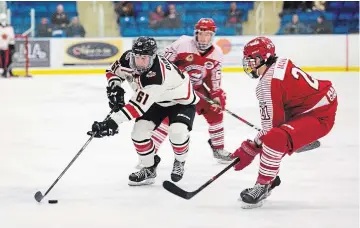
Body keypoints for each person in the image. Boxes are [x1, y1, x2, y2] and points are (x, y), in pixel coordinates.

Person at [230, 37, 338, 209]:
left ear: (264, 58)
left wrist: (249, 149)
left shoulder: (267, 84)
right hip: (315, 105)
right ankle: (299, 139)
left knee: (275, 138)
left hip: (319, 115)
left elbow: (270, 131)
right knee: (279, 133)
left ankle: (264, 185)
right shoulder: (280, 62)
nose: (249, 64)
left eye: (253, 59)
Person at [88, 37, 199, 186]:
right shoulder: (128, 58)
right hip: (155, 101)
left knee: (177, 132)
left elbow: (136, 107)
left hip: (180, 102)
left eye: (144, 58)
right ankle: (149, 168)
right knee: (138, 133)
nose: (140, 62)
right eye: (138, 57)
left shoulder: (157, 77)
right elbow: (113, 71)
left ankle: (180, 161)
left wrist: (112, 122)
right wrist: (115, 87)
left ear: (153, 57)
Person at [136, 18, 232, 167]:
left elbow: (214, 77)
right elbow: (162, 65)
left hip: (198, 89)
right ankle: (149, 155)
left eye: (207, 35)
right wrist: (175, 81)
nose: (204, 38)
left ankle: (218, 148)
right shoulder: (182, 44)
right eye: (201, 34)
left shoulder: (217, 53)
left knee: (216, 109)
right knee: (167, 119)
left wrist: (216, 95)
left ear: (212, 36)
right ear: (195, 33)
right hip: (176, 89)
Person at [0, 13, 15, 77]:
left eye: (4, 19)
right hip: (1, 47)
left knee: (9, 59)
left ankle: (8, 71)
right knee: (2, 60)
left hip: (7, 47)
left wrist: (11, 46)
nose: (3, 20)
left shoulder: (10, 28)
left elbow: (12, 37)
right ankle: (4, 71)